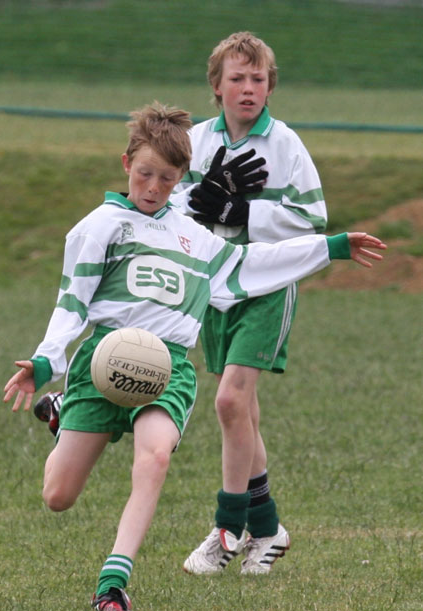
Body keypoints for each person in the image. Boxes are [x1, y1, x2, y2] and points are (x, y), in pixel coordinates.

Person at [3, 102, 385, 611]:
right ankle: (60, 411)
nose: (154, 187)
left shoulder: (193, 236)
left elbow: (251, 262)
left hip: (167, 370)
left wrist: (330, 246)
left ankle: (113, 583)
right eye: (144, 174)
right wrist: (46, 361)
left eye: (166, 177)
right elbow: (71, 304)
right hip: (100, 364)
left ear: (181, 177)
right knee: (58, 496)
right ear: (125, 165)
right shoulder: (100, 227)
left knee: (155, 456)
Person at [170, 31, 330, 575]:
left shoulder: (284, 144)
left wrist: (245, 213)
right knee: (244, 412)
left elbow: (313, 222)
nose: (247, 88)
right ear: (216, 86)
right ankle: (269, 528)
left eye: (257, 79)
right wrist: (199, 198)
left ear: (269, 86)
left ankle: (227, 529)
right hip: (212, 291)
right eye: (236, 78)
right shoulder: (195, 141)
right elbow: (166, 209)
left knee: (230, 404)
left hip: (265, 288)